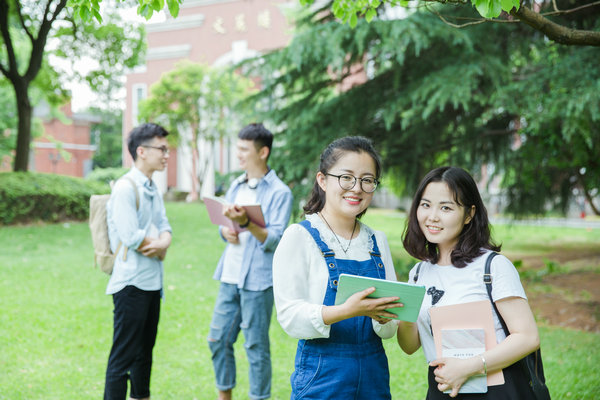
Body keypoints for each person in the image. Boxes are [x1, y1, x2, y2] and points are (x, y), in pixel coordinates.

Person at [273, 136, 401, 400]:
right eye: (346, 177)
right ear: (322, 180)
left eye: (367, 180)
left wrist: (383, 318)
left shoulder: (377, 241)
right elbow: (289, 316)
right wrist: (345, 311)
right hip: (322, 374)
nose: (357, 188)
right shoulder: (299, 237)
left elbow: (390, 329)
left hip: (374, 373)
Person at [397, 166, 541, 399]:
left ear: (469, 214)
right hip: (442, 389)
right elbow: (409, 345)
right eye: (425, 205)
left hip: (495, 390)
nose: (432, 216)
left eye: (446, 207)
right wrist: (400, 312)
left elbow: (527, 337)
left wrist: (469, 367)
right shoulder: (418, 272)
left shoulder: (492, 266)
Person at [208, 123, 293, 400]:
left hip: (258, 281)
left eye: (244, 149)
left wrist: (247, 222)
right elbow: (225, 226)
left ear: (263, 152)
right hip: (229, 276)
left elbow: (275, 240)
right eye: (238, 148)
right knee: (218, 340)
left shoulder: (280, 192)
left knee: (256, 347)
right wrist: (226, 230)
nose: (239, 155)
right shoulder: (236, 184)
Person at [104, 123, 173, 400]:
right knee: (122, 358)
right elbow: (131, 237)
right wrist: (160, 246)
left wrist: (162, 244)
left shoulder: (152, 188)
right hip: (130, 284)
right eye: (162, 149)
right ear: (141, 151)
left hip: (152, 283)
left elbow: (165, 225)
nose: (166, 154)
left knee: (144, 355)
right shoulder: (124, 188)